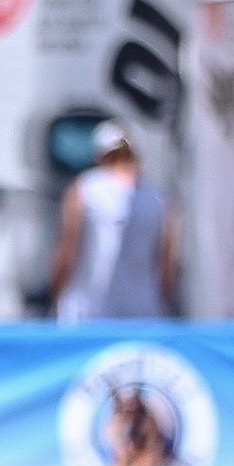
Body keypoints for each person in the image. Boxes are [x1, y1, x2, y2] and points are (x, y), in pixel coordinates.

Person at [50, 120, 175, 321]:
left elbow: (67, 252)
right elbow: (165, 266)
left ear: (101, 156)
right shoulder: (158, 198)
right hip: (145, 313)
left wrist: (56, 295)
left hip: (89, 313)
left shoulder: (84, 189)